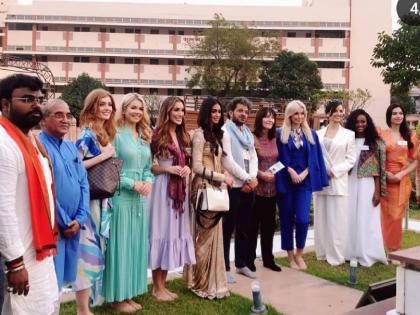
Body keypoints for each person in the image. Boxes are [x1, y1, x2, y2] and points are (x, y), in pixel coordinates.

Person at [0, 74, 59, 314]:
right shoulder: (4, 144)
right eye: (27, 98)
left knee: (43, 306)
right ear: (5, 104)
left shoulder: (30, 140)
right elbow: (3, 207)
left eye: (39, 98)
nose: (37, 104)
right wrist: (14, 263)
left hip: (38, 249)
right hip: (17, 254)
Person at [102, 93, 154, 312]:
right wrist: (133, 183)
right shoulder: (115, 135)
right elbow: (109, 171)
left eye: (140, 109)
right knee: (120, 247)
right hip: (121, 197)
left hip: (140, 201)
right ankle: (116, 297)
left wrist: (149, 182)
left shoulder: (143, 136)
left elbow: (148, 168)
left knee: (135, 247)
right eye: (133, 108)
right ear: (124, 109)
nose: (137, 112)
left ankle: (130, 293)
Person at [188, 97, 238, 299]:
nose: (217, 115)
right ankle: (200, 282)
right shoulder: (199, 135)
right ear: (206, 113)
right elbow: (197, 167)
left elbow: (221, 162)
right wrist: (221, 177)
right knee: (204, 239)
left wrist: (226, 177)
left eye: (219, 111)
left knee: (213, 237)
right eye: (213, 111)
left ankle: (212, 281)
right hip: (204, 188)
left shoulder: (216, 135)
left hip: (217, 189)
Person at [39, 99, 89, 294]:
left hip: (74, 225)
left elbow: (83, 182)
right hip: (54, 227)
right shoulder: (39, 147)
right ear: (43, 121)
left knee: (62, 282)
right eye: (58, 115)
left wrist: (80, 218)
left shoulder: (70, 146)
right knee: (49, 282)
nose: (65, 119)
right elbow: (45, 189)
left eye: (68, 115)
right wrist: (65, 221)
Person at [74, 88, 117, 314]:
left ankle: (91, 302)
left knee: (98, 251)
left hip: (103, 203)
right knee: (87, 254)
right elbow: (74, 165)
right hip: (90, 202)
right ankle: (82, 309)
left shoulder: (104, 133)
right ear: (92, 107)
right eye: (102, 104)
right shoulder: (86, 134)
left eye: (109, 104)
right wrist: (104, 156)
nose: (107, 108)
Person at [149, 96, 195, 301]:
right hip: (162, 189)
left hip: (180, 192)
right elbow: (149, 166)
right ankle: (156, 287)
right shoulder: (156, 135)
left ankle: (163, 285)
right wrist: (168, 168)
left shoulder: (182, 135)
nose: (180, 114)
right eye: (176, 110)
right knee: (161, 232)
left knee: (172, 234)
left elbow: (189, 162)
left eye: (182, 110)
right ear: (167, 111)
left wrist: (186, 168)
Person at [276, 101, 329, 270]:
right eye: (296, 113)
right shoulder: (280, 134)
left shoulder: (311, 134)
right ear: (289, 115)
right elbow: (276, 158)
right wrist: (290, 171)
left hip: (304, 183)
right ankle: (290, 256)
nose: (299, 117)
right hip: (286, 182)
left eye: (302, 113)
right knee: (286, 219)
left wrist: (305, 173)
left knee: (303, 219)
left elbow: (315, 159)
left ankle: (299, 254)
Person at [314, 100, 356, 266]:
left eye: (341, 111)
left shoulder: (348, 134)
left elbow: (351, 159)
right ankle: (322, 252)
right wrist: (322, 171)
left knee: (337, 221)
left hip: (338, 181)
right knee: (321, 219)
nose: (339, 113)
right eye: (336, 111)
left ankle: (337, 256)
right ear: (329, 113)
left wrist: (335, 171)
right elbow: (314, 157)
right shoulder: (317, 134)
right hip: (321, 182)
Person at [344, 109, 387, 266]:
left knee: (366, 217)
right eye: (356, 122)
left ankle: (367, 252)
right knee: (349, 216)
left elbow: (378, 169)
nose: (360, 124)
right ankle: (349, 252)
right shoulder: (347, 140)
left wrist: (377, 191)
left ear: (367, 123)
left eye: (363, 122)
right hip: (349, 182)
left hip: (367, 184)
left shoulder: (374, 142)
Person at [222, 97, 258, 282]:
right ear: (231, 112)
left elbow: (253, 157)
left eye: (246, 111)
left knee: (244, 228)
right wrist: (246, 178)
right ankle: (225, 268)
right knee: (227, 229)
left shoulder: (248, 134)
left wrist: (251, 178)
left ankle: (241, 264)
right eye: (240, 111)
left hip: (248, 185)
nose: (244, 114)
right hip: (233, 186)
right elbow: (226, 160)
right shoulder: (225, 131)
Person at [379, 104, 418, 254]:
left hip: (402, 181)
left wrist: (401, 175)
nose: (398, 116)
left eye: (400, 113)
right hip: (384, 179)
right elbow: (375, 156)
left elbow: (415, 160)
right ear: (389, 116)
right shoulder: (381, 134)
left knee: (396, 216)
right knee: (385, 215)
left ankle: (394, 250)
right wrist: (385, 173)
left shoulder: (410, 135)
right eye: (394, 113)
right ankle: (382, 248)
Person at [249, 107, 281, 272]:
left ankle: (268, 259)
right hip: (256, 189)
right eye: (266, 117)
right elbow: (247, 161)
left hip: (272, 189)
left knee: (269, 227)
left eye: (272, 118)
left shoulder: (275, 138)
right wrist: (261, 174)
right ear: (260, 119)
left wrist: (273, 174)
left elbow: (281, 160)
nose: (270, 120)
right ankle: (250, 259)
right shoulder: (252, 138)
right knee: (253, 226)